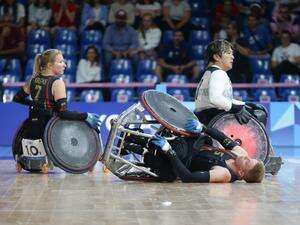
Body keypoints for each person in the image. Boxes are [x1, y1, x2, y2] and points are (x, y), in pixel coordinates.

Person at [121, 118, 265, 183]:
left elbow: (188, 177)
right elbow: (221, 137)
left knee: (170, 169)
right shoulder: (241, 154)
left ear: (241, 172)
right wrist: (203, 127)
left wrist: (168, 150)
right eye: (249, 158)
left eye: (247, 162)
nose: (247, 157)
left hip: (184, 161)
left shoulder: (224, 174)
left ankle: (132, 146)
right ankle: (135, 138)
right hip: (195, 146)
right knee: (196, 135)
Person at [13, 49, 102, 142]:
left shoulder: (33, 79)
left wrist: (35, 104)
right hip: (49, 132)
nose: (65, 65)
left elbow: (17, 98)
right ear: (50, 65)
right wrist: (85, 116)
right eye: (60, 62)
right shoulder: (57, 82)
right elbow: (63, 113)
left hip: (31, 129)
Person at [194, 39, 255, 126]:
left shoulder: (209, 73)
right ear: (217, 57)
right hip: (214, 119)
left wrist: (243, 104)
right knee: (259, 113)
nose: (232, 57)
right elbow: (215, 98)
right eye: (229, 53)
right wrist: (236, 108)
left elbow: (221, 99)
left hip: (205, 117)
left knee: (249, 108)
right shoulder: (218, 73)